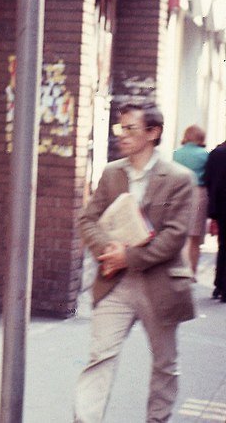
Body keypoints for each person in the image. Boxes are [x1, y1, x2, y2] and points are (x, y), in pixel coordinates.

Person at [74, 103, 195, 423]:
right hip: (115, 283)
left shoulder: (179, 178)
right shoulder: (112, 173)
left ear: (153, 133)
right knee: (100, 357)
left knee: (165, 363)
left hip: (160, 284)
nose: (123, 136)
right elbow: (88, 220)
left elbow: (175, 236)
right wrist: (109, 250)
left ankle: (157, 420)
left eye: (131, 129)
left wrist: (129, 256)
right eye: (121, 128)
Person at [172, 124, 209, 275]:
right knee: (195, 236)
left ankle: (179, 268)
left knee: (179, 232)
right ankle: (192, 271)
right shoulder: (205, 154)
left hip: (178, 193)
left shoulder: (176, 154)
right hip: (199, 194)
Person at [205, 137, 226, 301]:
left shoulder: (216, 154)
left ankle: (219, 285)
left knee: (222, 246)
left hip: (220, 206)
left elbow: (208, 180)